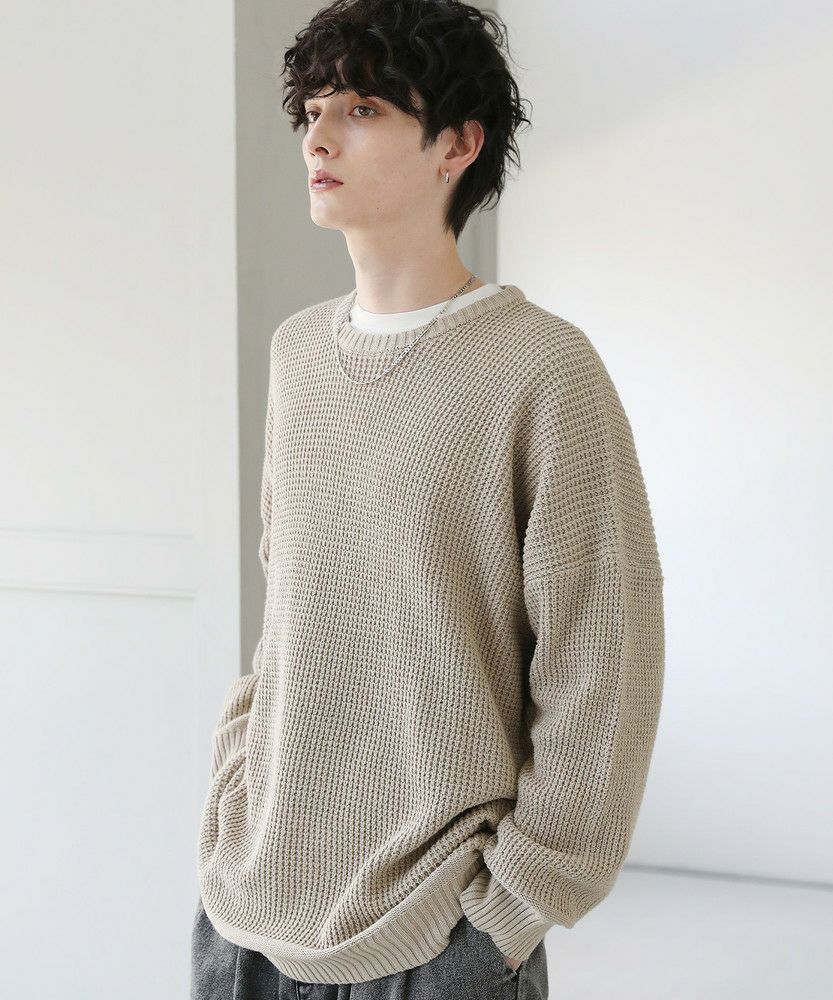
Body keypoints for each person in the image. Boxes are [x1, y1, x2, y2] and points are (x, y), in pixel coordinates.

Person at [191, 1, 665, 998]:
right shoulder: (297, 354)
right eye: (312, 110)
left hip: (438, 932)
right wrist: (235, 785)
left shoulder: (543, 369)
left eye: (361, 109)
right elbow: (289, 613)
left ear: (457, 144)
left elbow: (600, 661)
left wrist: (510, 913)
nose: (318, 137)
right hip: (249, 908)